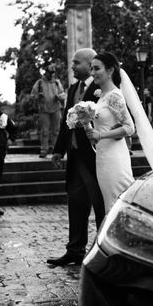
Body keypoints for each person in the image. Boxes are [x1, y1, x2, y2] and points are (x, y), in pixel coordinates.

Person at [48, 48, 105, 267]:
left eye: (76, 63)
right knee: (76, 204)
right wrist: (57, 150)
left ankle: (101, 250)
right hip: (74, 157)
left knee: (100, 206)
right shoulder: (72, 89)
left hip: (94, 156)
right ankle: (75, 250)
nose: (72, 66)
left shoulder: (102, 87)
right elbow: (65, 122)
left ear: (90, 64)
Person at [84, 53, 135, 212]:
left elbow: (129, 127)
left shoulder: (114, 95)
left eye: (97, 68)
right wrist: (86, 125)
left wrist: (100, 135)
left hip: (114, 157)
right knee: (110, 202)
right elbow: (105, 124)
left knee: (118, 202)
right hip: (102, 155)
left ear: (110, 70)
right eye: (91, 68)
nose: (92, 73)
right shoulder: (102, 95)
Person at [31, 64, 65, 158]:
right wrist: (38, 96)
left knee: (56, 131)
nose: (52, 75)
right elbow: (32, 95)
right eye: (50, 73)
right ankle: (44, 150)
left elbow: (62, 93)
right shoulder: (39, 83)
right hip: (44, 109)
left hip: (56, 109)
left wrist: (59, 96)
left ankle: (56, 150)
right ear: (46, 72)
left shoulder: (57, 82)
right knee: (45, 131)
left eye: (53, 73)